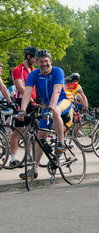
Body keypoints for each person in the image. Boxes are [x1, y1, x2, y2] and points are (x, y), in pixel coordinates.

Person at [17, 50, 73, 179]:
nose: (44, 64)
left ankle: (60, 142)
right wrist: (22, 110)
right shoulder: (34, 75)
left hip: (62, 101)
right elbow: (27, 93)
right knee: (40, 137)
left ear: (50, 61)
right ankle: (34, 169)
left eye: (46, 61)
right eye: (41, 61)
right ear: (36, 63)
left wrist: (51, 108)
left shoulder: (58, 71)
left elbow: (57, 91)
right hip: (46, 106)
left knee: (55, 111)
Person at [8, 47, 37, 167]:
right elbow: (20, 87)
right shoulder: (17, 69)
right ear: (29, 56)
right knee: (18, 131)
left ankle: (28, 156)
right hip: (22, 101)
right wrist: (29, 100)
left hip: (33, 101)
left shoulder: (33, 69)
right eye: (35, 57)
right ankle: (13, 158)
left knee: (32, 130)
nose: (36, 60)